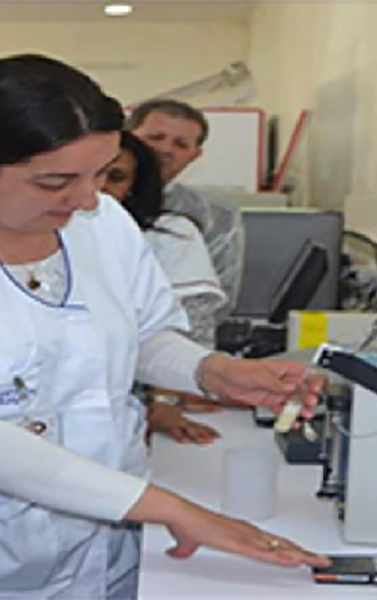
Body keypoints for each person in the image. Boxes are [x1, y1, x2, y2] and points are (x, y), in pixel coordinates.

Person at [0, 54, 328, 600]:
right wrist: (172, 509)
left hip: (105, 545)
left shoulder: (101, 223)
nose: (89, 199)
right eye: (55, 181)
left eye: (103, 173)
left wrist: (212, 371)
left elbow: (142, 334)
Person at [104, 131, 223, 445]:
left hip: (138, 399)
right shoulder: (42, 233)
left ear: (134, 185)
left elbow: (185, 325)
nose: (98, 187)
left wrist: (166, 402)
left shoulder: (168, 234)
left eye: (116, 177)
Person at [127, 99, 245, 317]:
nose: (165, 149)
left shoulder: (216, 214)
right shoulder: (86, 201)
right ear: (126, 138)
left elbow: (217, 301)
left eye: (180, 144)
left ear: (195, 156)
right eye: (155, 137)